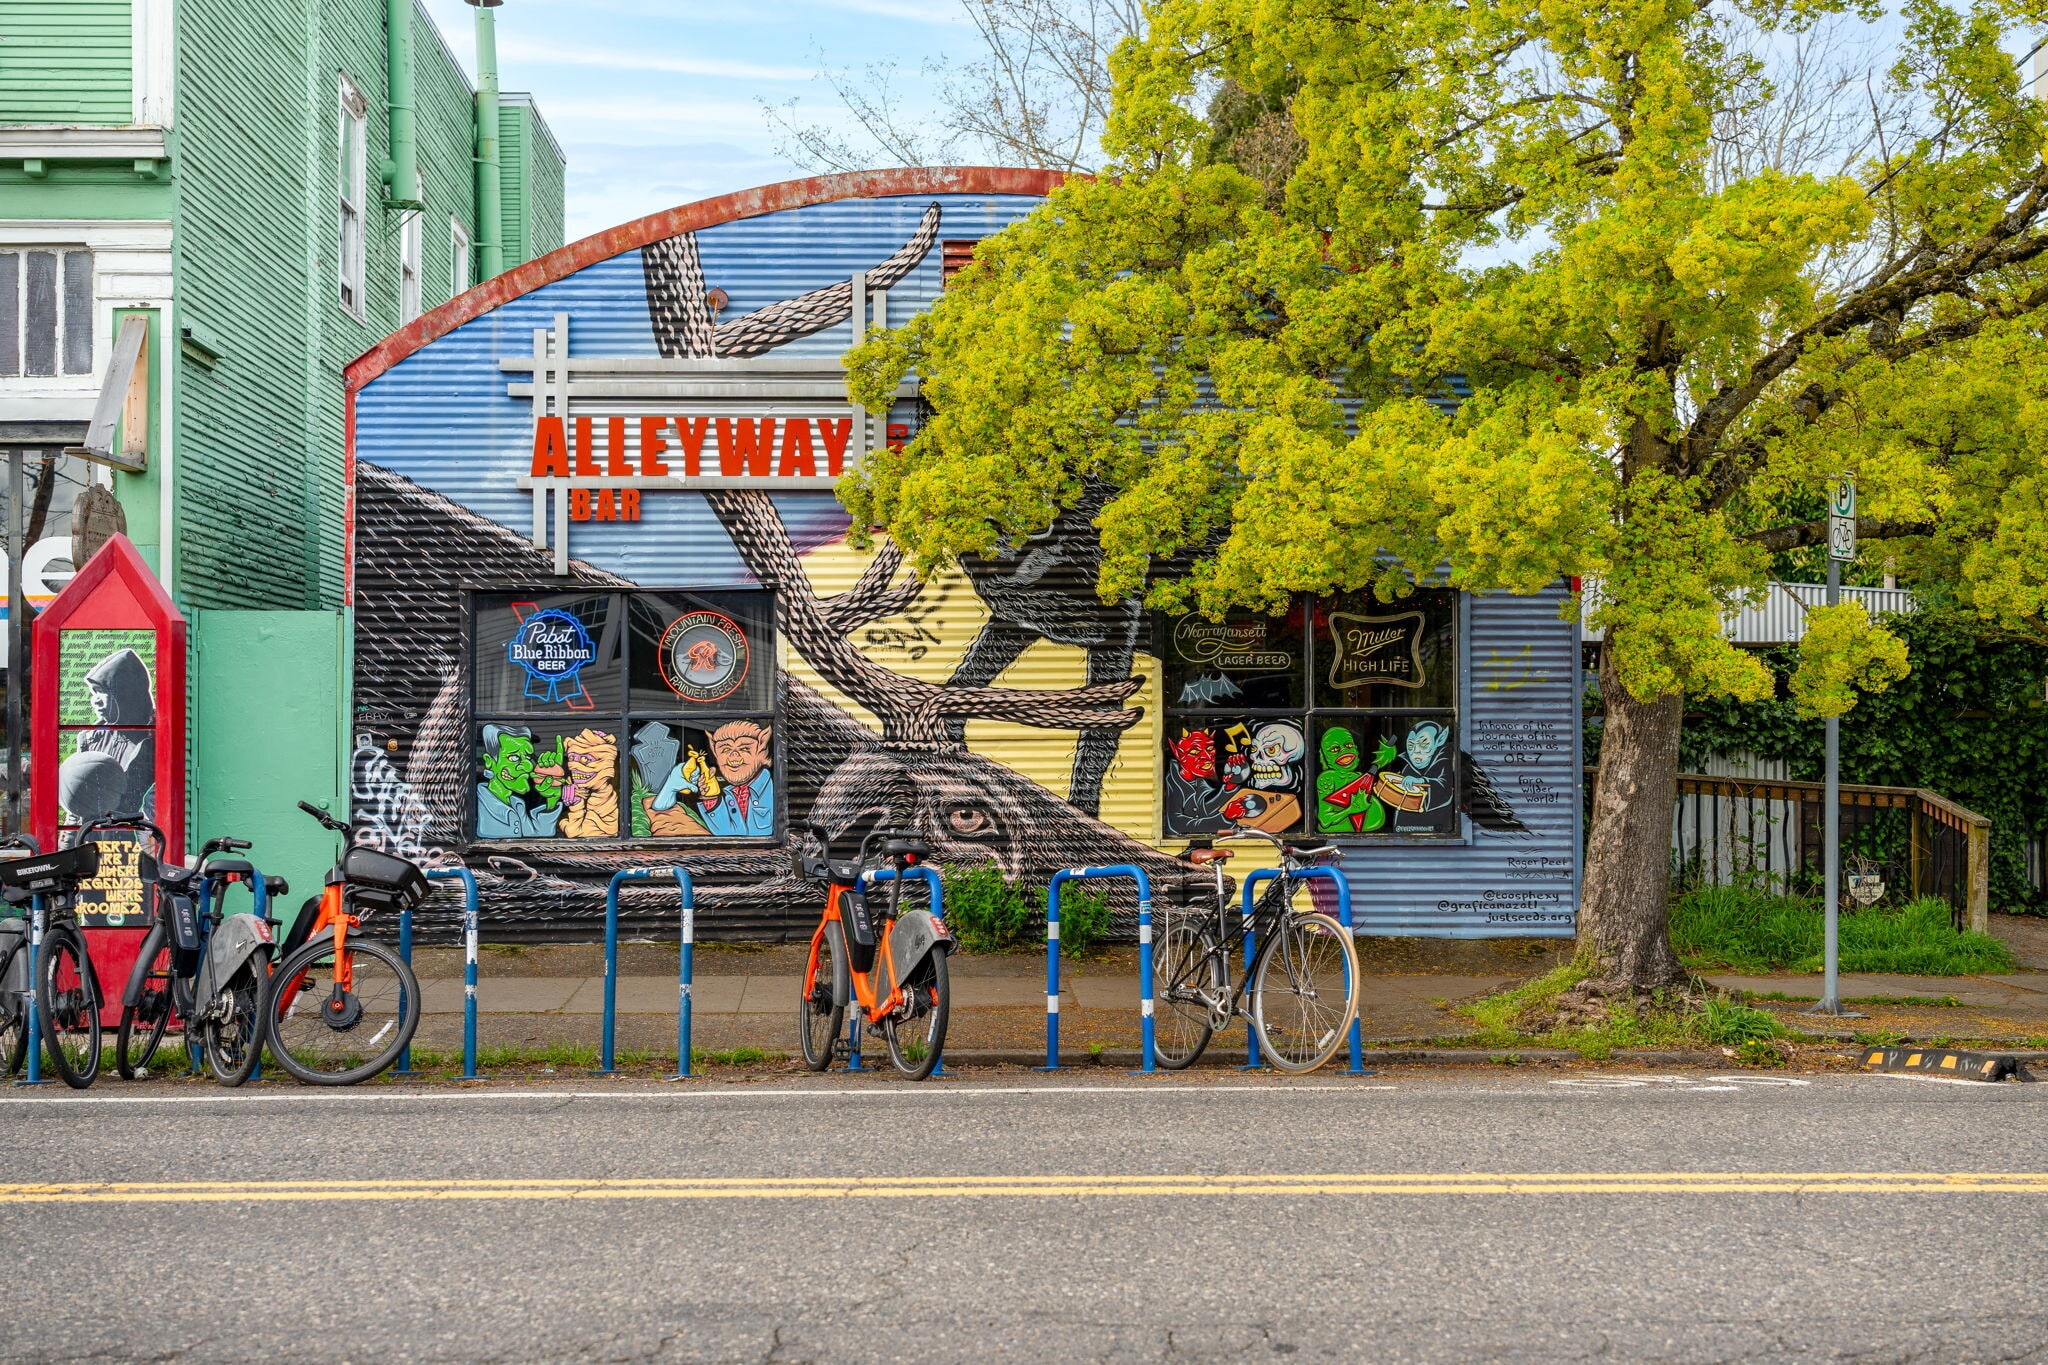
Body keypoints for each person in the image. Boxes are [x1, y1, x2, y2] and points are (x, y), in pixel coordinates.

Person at [475, 724, 563, 838]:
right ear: (489, 761)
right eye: (514, 757)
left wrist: (551, 801)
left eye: (528, 757)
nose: (528, 766)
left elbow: (536, 838)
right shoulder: (474, 803)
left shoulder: (517, 804)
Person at [697, 719, 774, 837]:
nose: (733, 755)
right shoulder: (730, 792)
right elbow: (728, 835)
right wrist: (711, 797)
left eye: (744, 748)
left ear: (761, 751)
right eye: (725, 749)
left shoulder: (775, 789)